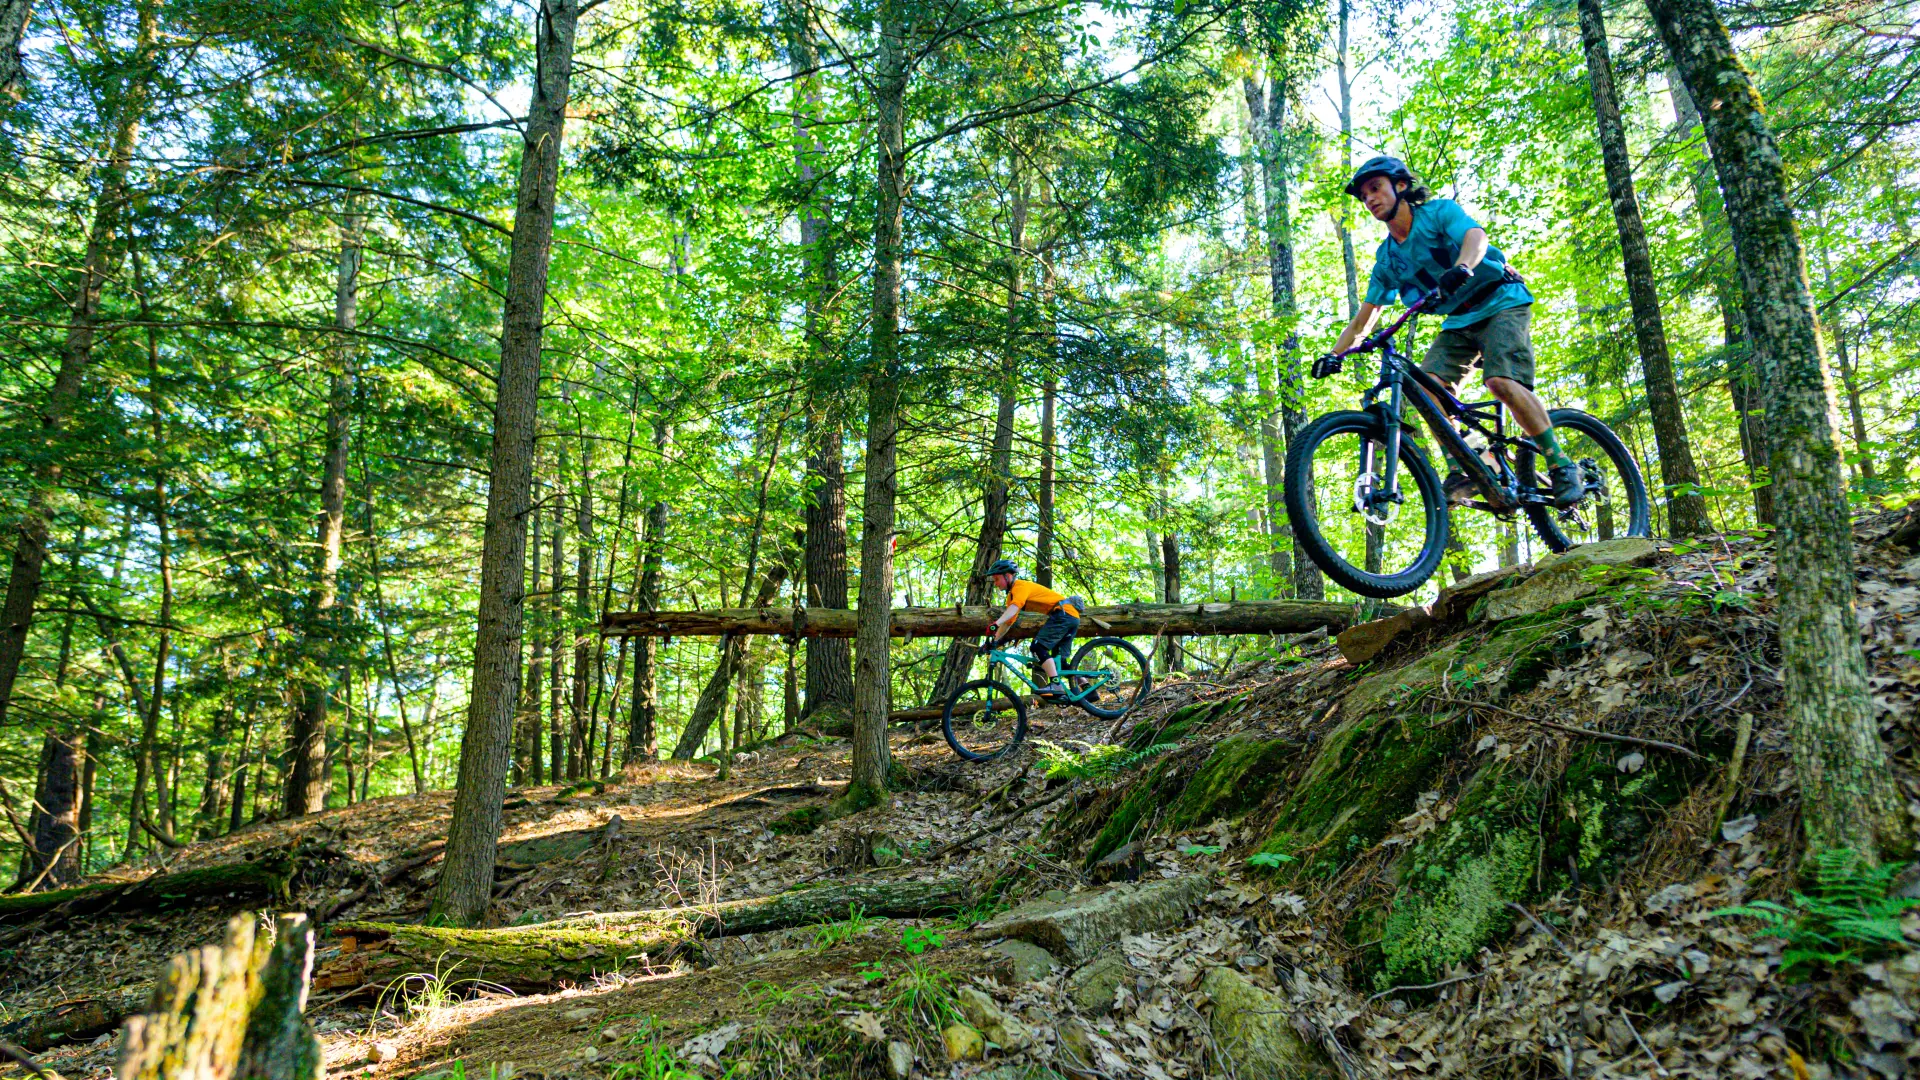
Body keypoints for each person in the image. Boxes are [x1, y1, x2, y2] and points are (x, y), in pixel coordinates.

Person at [1328, 155, 1584, 507]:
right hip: (1459, 321)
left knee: (1500, 382)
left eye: (1376, 188)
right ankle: (1467, 465)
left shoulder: (1437, 214)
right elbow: (1363, 320)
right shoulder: (1386, 259)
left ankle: (1560, 463)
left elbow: (1476, 237)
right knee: (1425, 389)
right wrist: (1334, 355)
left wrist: (1463, 266)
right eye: (1364, 196)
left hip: (1500, 300)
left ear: (1400, 186)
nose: (1370, 199)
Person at [980, 558, 1082, 700]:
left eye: (997, 579)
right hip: (1070, 616)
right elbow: (1008, 622)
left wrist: (996, 622)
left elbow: (1015, 607)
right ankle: (1088, 689)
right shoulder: (1011, 596)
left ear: (1008, 576)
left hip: (1063, 614)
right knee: (1061, 662)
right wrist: (992, 643)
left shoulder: (1020, 586)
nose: (996, 584)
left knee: (1037, 646)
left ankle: (1056, 684)